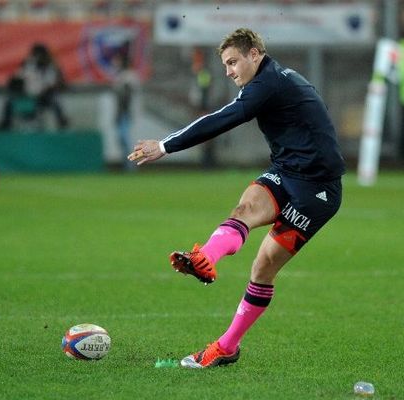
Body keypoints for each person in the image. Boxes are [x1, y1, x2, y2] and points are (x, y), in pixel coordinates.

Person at [127, 28, 345, 368]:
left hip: (317, 191)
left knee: (262, 268)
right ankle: (206, 257)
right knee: (244, 209)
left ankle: (227, 346)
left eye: (233, 62)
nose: (229, 71)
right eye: (226, 64)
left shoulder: (269, 83)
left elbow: (222, 119)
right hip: (285, 172)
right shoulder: (273, 80)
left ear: (254, 54)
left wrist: (164, 146)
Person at [0, 43, 69, 130]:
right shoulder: (27, 65)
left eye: (39, 54)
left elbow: (56, 83)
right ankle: (6, 124)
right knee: (9, 101)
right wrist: (19, 86)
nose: (37, 57)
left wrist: (46, 89)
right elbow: (16, 79)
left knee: (54, 100)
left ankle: (61, 121)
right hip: (27, 95)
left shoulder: (51, 67)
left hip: (43, 96)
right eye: (35, 54)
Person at [112, 50, 140, 171]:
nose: (115, 63)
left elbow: (128, 95)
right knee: (122, 139)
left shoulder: (128, 76)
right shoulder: (121, 76)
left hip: (126, 112)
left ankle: (131, 164)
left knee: (125, 138)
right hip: (122, 112)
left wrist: (122, 112)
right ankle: (127, 164)